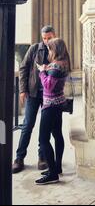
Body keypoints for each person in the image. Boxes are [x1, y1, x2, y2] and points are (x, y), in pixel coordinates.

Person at [12, 26, 56, 174]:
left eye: (49, 38)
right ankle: (19, 158)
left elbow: (63, 69)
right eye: (44, 38)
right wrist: (23, 90)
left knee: (45, 127)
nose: (46, 41)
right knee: (27, 125)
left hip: (49, 95)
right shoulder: (34, 49)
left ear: (54, 36)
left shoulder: (58, 50)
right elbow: (24, 68)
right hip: (33, 93)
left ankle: (42, 157)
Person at [35, 38, 71, 185]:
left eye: (50, 49)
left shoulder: (55, 67)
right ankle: (57, 166)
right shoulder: (63, 63)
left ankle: (52, 173)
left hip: (50, 106)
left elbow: (48, 86)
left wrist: (42, 72)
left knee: (43, 140)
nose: (49, 51)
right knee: (57, 134)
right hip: (59, 103)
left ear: (55, 50)